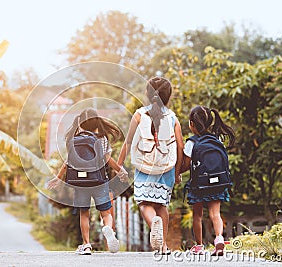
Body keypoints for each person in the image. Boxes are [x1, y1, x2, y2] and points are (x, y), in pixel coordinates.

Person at [47, 108, 128, 255]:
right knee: (106, 213)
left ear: (80, 123)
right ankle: (108, 229)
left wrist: (58, 178)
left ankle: (86, 245)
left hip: (80, 183)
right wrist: (120, 171)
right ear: (97, 122)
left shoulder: (74, 140)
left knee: (84, 213)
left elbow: (67, 162)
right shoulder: (102, 139)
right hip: (99, 181)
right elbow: (108, 160)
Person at [117, 76, 184, 254]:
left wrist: (119, 166)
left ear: (147, 94)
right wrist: (177, 173)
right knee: (161, 205)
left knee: (145, 203)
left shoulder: (139, 115)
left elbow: (128, 142)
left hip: (144, 167)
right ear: (168, 97)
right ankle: (163, 245)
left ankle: (154, 223)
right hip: (166, 168)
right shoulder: (173, 118)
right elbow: (180, 146)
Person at [180, 105, 235, 256]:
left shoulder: (191, 143)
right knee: (215, 213)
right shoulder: (216, 139)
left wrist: (177, 172)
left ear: (192, 124)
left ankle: (199, 246)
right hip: (217, 183)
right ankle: (219, 238)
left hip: (199, 184)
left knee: (197, 215)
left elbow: (185, 165)